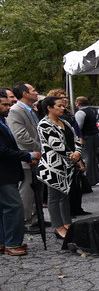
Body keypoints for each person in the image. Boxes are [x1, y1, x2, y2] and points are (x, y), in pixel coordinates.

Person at [36, 95, 82, 242]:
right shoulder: (44, 125)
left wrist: (78, 153)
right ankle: (58, 227)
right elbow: (56, 145)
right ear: (49, 108)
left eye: (63, 106)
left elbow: (77, 139)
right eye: (59, 106)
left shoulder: (65, 123)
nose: (63, 108)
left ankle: (67, 223)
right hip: (52, 167)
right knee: (54, 197)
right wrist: (73, 156)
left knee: (65, 196)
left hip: (67, 166)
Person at [0, 86, 41, 255]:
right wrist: (27, 154)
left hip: (7, 171)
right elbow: (2, 150)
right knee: (14, 207)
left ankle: (4, 242)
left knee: (5, 208)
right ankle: (12, 243)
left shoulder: (2, 121)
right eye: (4, 104)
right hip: (3, 173)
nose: (8, 107)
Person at [7, 83, 43, 229]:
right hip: (27, 157)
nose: (36, 92)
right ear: (25, 94)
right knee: (27, 191)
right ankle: (25, 222)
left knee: (36, 190)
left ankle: (36, 219)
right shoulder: (16, 110)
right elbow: (20, 136)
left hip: (36, 156)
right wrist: (41, 148)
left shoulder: (29, 110)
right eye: (33, 90)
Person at [74, 96, 99, 187]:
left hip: (86, 137)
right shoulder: (92, 111)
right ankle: (97, 178)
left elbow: (78, 127)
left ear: (78, 103)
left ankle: (88, 180)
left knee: (87, 158)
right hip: (94, 136)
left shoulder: (80, 113)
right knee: (93, 158)